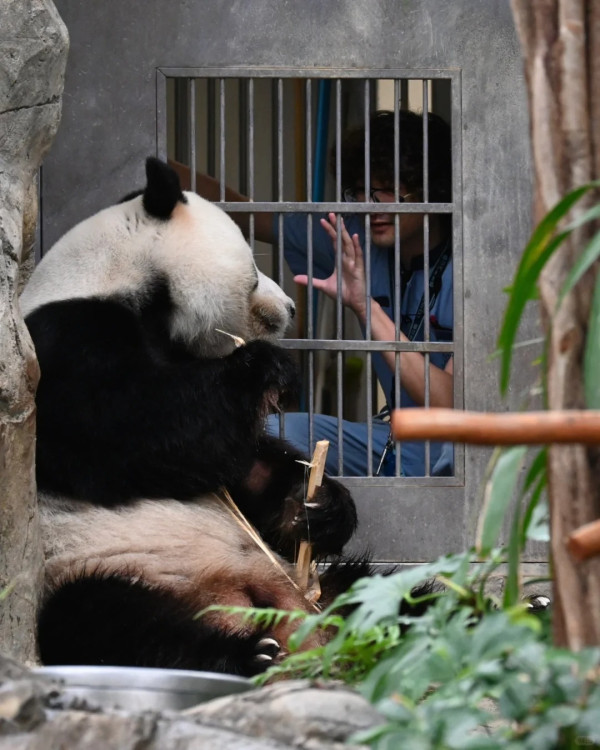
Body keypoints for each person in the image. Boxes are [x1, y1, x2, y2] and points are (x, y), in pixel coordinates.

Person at [171, 109, 454, 477]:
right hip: (391, 439)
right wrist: (156, 171)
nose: (371, 204)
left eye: (387, 187)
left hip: (459, 452)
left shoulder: (471, 268)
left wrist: (365, 306)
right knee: (260, 435)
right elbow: (251, 214)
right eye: (361, 190)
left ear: (432, 188)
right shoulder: (354, 236)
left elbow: (450, 400)